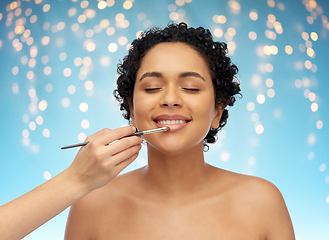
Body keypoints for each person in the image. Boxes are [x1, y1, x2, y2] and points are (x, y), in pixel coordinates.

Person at [0, 22, 295, 239]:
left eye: (191, 87)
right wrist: (76, 180)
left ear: (217, 111)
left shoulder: (262, 201)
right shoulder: (93, 202)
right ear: (131, 107)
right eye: (152, 87)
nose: (170, 98)